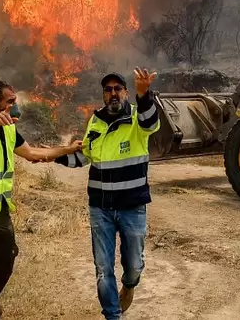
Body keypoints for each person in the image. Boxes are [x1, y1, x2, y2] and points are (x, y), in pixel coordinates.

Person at [0, 80, 82, 320]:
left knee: (8, 252)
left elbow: (32, 154)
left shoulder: (10, 129)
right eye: (10, 101)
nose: (16, 105)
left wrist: (67, 149)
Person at [56, 68, 160, 320]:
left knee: (134, 265)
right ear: (103, 94)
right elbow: (85, 156)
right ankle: (113, 315)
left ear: (125, 92)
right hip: (100, 208)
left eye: (118, 89)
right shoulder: (95, 121)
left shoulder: (137, 118)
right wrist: (53, 155)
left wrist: (144, 94)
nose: (113, 93)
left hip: (132, 206)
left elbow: (151, 122)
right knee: (103, 267)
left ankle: (130, 285)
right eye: (108, 89)